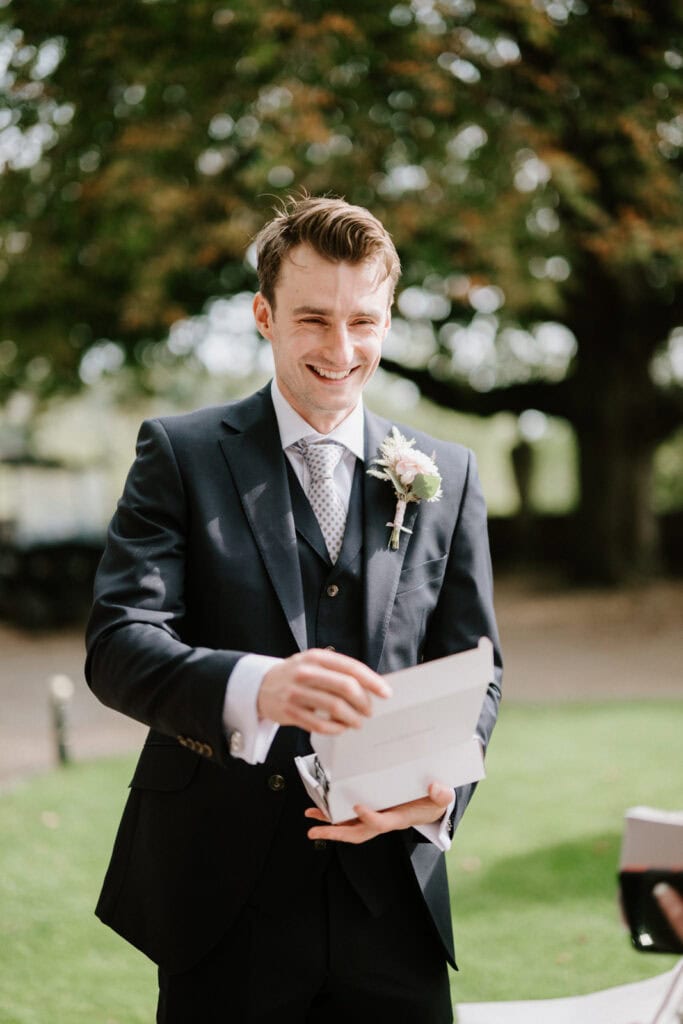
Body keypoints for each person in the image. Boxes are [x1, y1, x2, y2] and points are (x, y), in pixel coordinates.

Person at [85, 194, 503, 1024]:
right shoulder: (180, 453)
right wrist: (258, 686)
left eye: (364, 322)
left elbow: (477, 667)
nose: (340, 349)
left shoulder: (443, 473)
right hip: (222, 893)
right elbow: (118, 644)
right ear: (264, 315)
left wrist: (442, 793)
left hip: (393, 897)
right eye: (313, 319)